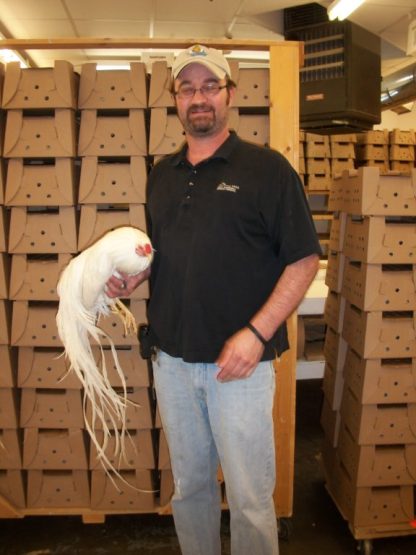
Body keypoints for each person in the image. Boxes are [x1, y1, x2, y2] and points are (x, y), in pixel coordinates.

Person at [107, 44, 321, 555]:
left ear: (229, 94)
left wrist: (255, 334)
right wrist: (134, 277)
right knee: (192, 491)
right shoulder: (162, 175)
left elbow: (304, 260)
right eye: (187, 88)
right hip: (173, 362)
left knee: (249, 499)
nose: (198, 97)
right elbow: (163, 251)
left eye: (209, 87)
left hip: (240, 368)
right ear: (176, 100)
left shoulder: (268, 170)